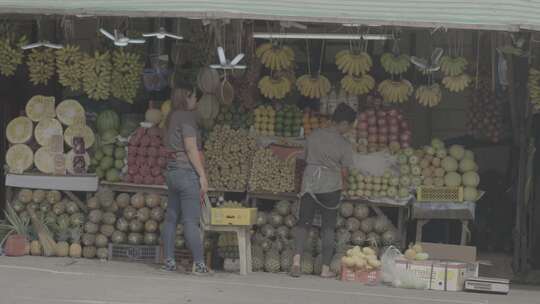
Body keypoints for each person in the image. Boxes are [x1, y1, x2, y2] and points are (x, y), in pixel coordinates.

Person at [290, 103, 356, 278]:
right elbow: (346, 170)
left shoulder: (314, 134)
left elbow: (301, 160)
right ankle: (325, 269)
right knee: (328, 227)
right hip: (330, 185)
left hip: (310, 182)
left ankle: (296, 261)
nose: (349, 129)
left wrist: (299, 183)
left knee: (303, 223)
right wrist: (346, 185)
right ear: (343, 123)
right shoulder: (344, 144)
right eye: (349, 126)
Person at [161, 85, 210, 274]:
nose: (196, 101)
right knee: (190, 221)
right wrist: (202, 175)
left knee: (171, 219)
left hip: (172, 171)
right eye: (195, 97)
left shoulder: (172, 116)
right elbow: (190, 148)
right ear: (187, 97)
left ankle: (169, 262)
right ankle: (199, 264)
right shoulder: (188, 117)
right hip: (186, 172)